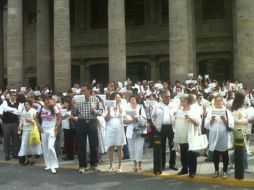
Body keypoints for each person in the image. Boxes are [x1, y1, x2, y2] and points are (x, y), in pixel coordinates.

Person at [75, 84, 103, 173]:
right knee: (81, 145)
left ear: (89, 90)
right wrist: (74, 105)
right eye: (81, 91)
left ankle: (94, 164)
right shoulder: (78, 100)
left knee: (94, 144)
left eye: (84, 90)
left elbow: (101, 112)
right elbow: (74, 113)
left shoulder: (95, 99)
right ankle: (82, 165)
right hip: (81, 122)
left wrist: (95, 111)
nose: (82, 92)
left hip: (92, 121)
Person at [205, 96, 234, 179]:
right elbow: (206, 125)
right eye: (216, 102)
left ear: (222, 102)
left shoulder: (227, 112)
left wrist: (225, 120)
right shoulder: (211, 112)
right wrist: (212, 120)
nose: (218, 103)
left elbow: (231, 125)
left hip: (224, 136)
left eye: (219, 101)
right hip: (214, 136)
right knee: (215, 155)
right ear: (214, 103)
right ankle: (216, 170)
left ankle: (224, 171)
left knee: (225, 154)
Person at [174, 94, 201, 178]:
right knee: (183, 154)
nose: (181, 101)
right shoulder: (180, 110)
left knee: (192, 154)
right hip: (182, 136)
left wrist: (190, 118)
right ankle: (184, 168)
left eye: (182, 100)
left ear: (187, 101)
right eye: (181, 100)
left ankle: (192, 171)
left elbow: (198, 123)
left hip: (191, 136)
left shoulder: (193, 111)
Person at [37, 95, 61, 174]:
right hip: (44, 130)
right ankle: (48, 164)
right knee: (45, 148)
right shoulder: (40, 108)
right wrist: (39, 126)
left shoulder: (54, 108)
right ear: (44, 100)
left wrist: (56, 127)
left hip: (52, 130)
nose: (49, 101)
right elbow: (35, 117)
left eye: (50, 99)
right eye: (47, 99)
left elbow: (59, 117)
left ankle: (53, 165)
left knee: (50, 147)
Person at [124, 95, 147, 173]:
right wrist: (132, 121)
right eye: (130, 100)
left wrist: (137, 119)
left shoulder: (140, 109)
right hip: (130, 132)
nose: (132, 101)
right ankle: (134, 165)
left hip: (139, 131)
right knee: (132, 149)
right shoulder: (127, 109)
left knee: (139, 149)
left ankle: (139, 165)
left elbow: (144, 120)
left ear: (137, 100)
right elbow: (124, 121)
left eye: (133, 99)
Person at [105, 92, 126, 173]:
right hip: (110, 127)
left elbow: (123, 115)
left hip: (119, 127)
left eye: (118, 97)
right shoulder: (108, 107)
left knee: (120, 147)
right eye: (116, 97)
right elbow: (106, 119)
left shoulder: (122, 106)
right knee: (111, 147)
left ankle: (120, 165)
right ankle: (111, 165)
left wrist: (119, 105)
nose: (117, 98)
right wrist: (109, 110)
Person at [231, 92, 251, 172]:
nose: (245, 100)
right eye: (244, 99)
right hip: (238, 132)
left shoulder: (242, 107)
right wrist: (247, 120)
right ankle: (245, 167)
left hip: (243, 130)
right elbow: (234, 121)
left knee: (239, 149)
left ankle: (231, 159)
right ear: (240, 100)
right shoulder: (236, 109)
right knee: (243, 150)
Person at [18, 99, 42, 165]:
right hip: (25, 130)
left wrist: (32, 121)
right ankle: (26, 159)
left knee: (33, 144)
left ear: (30, 105)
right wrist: (20, 127)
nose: (26, 106)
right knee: (24, 144)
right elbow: (21, 121)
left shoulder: (34, 111)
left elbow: (36, 121)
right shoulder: (22, 112)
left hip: (32, 129)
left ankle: (33, 159)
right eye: (25, 104)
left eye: (27, 104)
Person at [159, 89, 178, 170]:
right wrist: (157, 124)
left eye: (169, 96)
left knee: (172, 146)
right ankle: (162, 164)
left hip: (171, 127)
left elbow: (179, 114)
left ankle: (172, 164)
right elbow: (153, 117)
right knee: (161, 146)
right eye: (166, 96)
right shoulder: (157, 105)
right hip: (161, 127)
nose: (168, 98)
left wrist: (176, 115)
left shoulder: (174, 105)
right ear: (162, 97)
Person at [2, 91, 23, 160]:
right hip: (6, 123)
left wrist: (9, 110)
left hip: (15, 123)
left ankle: (15, 153)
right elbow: (5, 108)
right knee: (6, 139)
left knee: (15, 139)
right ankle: (7, 154)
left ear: (16, 96)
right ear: (10, 96)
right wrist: (14, 109)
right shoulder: (5, 101)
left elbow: (19, 112)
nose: (13, 96)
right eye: (12, 95)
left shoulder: (19, 103)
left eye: (15, 95)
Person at [61, 96, 75, 161]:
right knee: (67, 141)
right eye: (64, 102)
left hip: (70, 127)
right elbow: (62, 118)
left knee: (70, 142)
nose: (64, 104)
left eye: (66, 102)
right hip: (65, 126)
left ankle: (70, 155)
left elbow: (75, 117)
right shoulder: (63, 109)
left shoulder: (72, 108)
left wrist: (69, 116)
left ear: (69, 103)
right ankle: (68, 154)